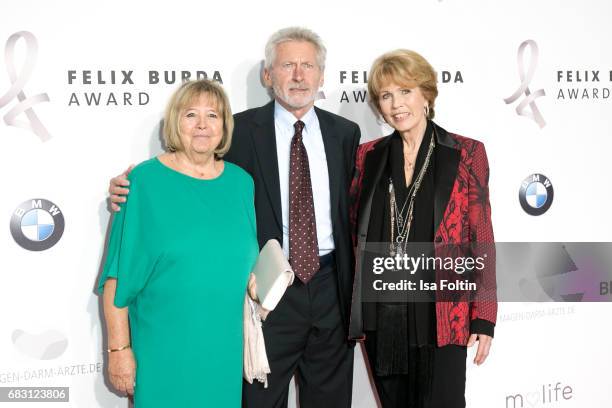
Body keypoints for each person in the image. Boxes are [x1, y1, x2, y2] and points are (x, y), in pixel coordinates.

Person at [108, 27, 360, 408]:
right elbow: (187, 175)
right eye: (287, 64)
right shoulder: (237, 130)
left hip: (330, 292)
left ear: (322, 76)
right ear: (267, 74)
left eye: (308, 65)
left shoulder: (346, 133)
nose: (298, 74)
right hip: (267, 300)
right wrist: (124, 190)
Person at [348, 49, 497, 408]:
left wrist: (485, 316)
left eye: (405, 91)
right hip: (384, 316)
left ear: (426, 95)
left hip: (444, 314)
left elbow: (482, 239)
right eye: (386, 96)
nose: (396, 104)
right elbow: (355, 230)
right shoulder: (367, 155)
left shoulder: (465, 152)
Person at [99, 79, 258, 407]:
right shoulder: (143, 181)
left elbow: (244, 263)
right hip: (163, 351)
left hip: (223, 352)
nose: (202, 124)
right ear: (175, 122)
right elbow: (117, 277)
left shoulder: (242, 184)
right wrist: (118, 350)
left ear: (225, 125)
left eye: (212, 115)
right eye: (191, 115)